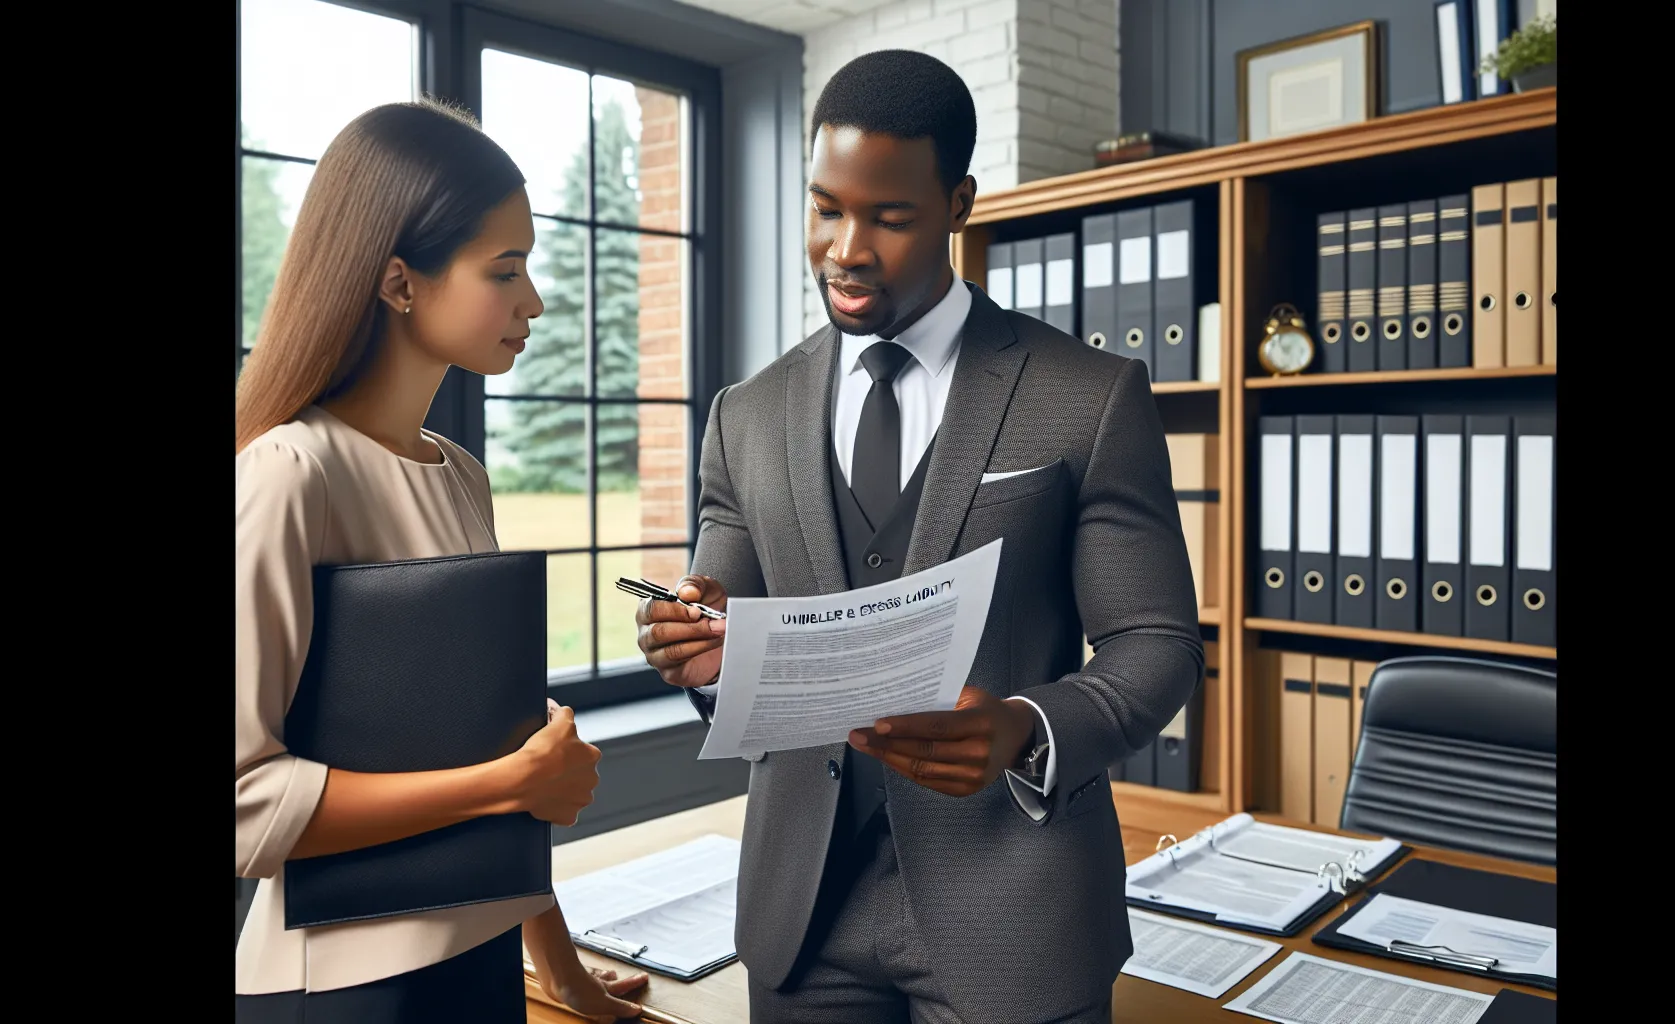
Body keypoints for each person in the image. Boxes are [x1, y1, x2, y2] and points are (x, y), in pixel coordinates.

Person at [636, 50, 1203, 1024]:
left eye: (888, 217)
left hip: (1015, 912)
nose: (846, 247)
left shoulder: (1086, 397)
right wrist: (694, 646)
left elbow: (1156, 643)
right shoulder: (745, 415)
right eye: (825, 207)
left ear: (957, 204)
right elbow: (721, 621)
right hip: (802, 920)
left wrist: (1026, 727)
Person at [235, 99, 648, 1024]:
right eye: (505, 270)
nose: (532, 301)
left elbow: (490, 761)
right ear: (398, 283)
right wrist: (510, 783)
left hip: (482, 970)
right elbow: (246, 804)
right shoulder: (288, 474)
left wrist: (566, 976)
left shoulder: (460, 476)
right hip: (344, 992)